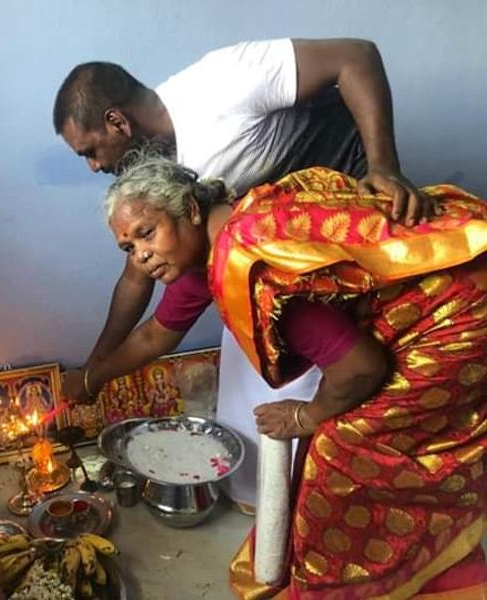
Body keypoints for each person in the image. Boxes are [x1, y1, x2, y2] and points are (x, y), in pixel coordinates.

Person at [54, 38, 436, 508]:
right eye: (131, 245)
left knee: (337, 402)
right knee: (255, 386)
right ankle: (269, 495)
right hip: (254, 261)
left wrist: (383, 167)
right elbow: (146, 307)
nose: (94, 166)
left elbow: (355, 56)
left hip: (333, 256)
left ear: (117, 121)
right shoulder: (175, 215)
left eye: (90, 150)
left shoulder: (218, 86)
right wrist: (92, 374)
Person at [100, 154, 487, 598]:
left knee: (341, 454)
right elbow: (154, 334)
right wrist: (91, 378)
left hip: (460, 310)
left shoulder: (253, 267)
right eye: (128, 248)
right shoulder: (237, 219)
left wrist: (306, 416)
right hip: (443, 281)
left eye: (146, 233)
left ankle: (358, 582)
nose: (141, 255)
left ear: (190, 210)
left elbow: (362, 368)